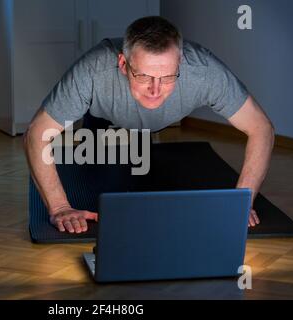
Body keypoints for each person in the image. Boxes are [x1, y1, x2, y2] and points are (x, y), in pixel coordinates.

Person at [23, 16, 275, 234]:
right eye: (143, 76)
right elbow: (37, 134)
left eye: (167, 77)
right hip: (106, 123)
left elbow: (261, 128)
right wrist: (59, 207)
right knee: (107, 192)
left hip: (156, 126)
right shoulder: (92, 72)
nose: (155, 90)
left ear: (181, 64)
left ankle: (143, 145)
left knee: (158, 185)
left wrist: (243, 202)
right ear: (123, 64)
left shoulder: (205, 72)